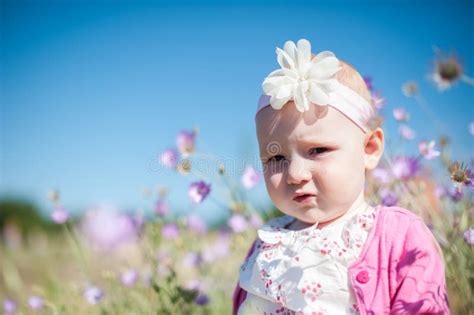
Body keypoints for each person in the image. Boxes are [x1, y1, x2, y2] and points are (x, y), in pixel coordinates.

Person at [232, 39, 449, 314]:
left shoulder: (398, 236)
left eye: (318, 150)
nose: (295, 175)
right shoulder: (268, 242)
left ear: (369, 149)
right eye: (276, 158)